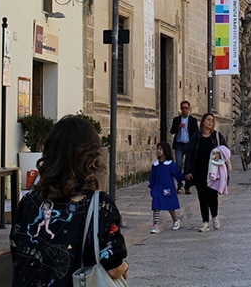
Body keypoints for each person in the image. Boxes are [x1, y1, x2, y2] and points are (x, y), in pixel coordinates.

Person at [11, 115, 127, 285]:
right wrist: (125, 267)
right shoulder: (100, 205)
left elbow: (16, 250)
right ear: (90, 157)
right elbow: (114, 267)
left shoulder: (29, 201)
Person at [184, 112, 227, 232]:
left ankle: (214, 216)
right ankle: (205, 221)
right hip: (199, 171)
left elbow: (225, 149)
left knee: (212, 196)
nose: (210, 122)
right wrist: (187, 171)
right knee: (202, 197)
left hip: (212, 172)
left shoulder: (217, 136)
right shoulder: (196, 137)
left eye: (212, 120)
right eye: (208, 120)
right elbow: (190, 154)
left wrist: (219, 154)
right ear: (203, 122)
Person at [148, 141, 185, 233]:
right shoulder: (155, 165)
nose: (159, 151)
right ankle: (155, 224)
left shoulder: (170, 164)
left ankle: (175, 220)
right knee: (156, 206)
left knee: (170, 206)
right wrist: (152, 187)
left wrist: (184, 177)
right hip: (157, 189)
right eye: (158, 149)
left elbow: (177, 174)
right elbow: (152, 177)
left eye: (161, 149)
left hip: (167, 188)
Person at [169, 100, 198, 194]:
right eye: (182, 108)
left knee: (188, 166)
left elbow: (196, 132)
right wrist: (178, 127)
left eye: (186, 108)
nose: (184, 110)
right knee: (179, 165)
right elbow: (171, 131)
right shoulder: (177, 119)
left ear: (189, 109)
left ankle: (187, 186)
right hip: (179, 145)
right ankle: (179, 185)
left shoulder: (193, 120)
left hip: (189, 145)